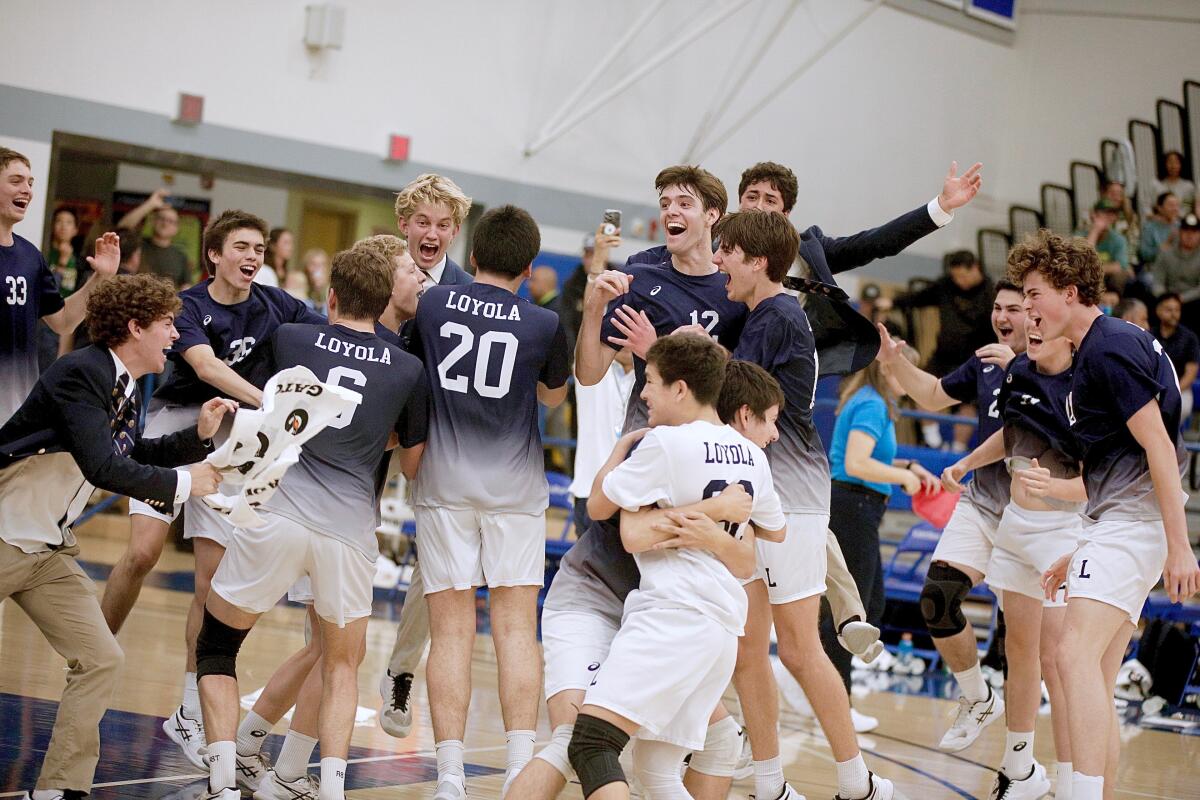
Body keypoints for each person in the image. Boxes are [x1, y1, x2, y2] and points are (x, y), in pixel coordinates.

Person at [195, 244, 428, 800]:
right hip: (349, 529)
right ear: (382, 301)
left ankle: (225, 783)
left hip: (275, 512)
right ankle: (329, 789)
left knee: (217, 647)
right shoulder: (409, 368)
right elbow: (413, 462)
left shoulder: (292, 339)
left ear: (330, 296)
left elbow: (259, 411)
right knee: (343, 662)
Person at [97, 210, 325, 769]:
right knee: (144, 552)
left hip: (234, 437)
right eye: (242, 245)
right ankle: (92, 654)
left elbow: (328, 329)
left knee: (211, 580)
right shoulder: (191, 304)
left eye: (261, 246)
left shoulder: (278, 304)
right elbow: (206, 365)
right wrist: (271, 404)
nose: (254, 255)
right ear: (215, 255)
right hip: (177, 422)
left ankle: (187, 711)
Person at [509, 358, 783, 800]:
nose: (774, 435)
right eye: (769, 421)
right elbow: (605, 513)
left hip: (664, 613)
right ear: (740, 414)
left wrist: (716, 532)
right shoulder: (660, 445)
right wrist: (715, 512)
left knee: (700, 747)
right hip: (598, 598)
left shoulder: (739, 466)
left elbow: (745, 557)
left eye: (650, 382)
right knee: (576, 741)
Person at [0, 273, 228, 800]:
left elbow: (130, 455)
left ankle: (60, 787)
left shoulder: (124, 383)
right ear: (134, 327)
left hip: (46, 550)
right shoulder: (80, 373)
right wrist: (187, 484)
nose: (176, 336)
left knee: (101, 658)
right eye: (168, 325)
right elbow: (103, 466)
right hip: (7, 534)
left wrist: (195, 440)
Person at [714, 209, 898, 800]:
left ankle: (856, 779)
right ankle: (769, 781)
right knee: (748, 649)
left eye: (727, 252)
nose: (718, 261)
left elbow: (731, 403)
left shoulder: (777, 316)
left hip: (790, 495)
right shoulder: (763, 315)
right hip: (760, 490)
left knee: (797, 648)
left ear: (758, 261)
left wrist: (675, 351)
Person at [1011, 229, 1199, 800]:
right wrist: (1086, 546)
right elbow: (1119, 464)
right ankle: (1091, 789)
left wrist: (1179, 544)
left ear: (1070, 291)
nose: (1028, 309)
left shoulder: (1107, 347)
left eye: (1034, 293)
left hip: (1133, 527)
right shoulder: (1104, 346)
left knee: (1069, 654)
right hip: (1117, 525)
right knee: (1090, 671)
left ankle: (1081, 793)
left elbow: (1161, 448)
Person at [408, 204, 569, 800]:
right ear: (529, 267)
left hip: (443, 487)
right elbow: (553, 398)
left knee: (449, 634)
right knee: (515, 632)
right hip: (515, 491)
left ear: (471, 255)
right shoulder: (544, 324)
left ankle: (449, 779)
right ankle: (518, 773)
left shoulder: (430, 305)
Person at [875, 280, 1028, 752]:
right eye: (998, 307)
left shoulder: (1057, 362)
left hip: (1035, 514)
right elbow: (936, 395)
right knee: (937, 600)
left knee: (1024, 642)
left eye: (1015, 309)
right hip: (981, 503)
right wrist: (896, 363)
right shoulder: (985, 361)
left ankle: (1030, 763)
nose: (1003, 317)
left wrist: (1021, 370)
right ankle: (977, 698)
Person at [943, 319, 1082, 800]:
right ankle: (1020, 769)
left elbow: (1105, 470)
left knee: (1062, 662)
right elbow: (1011, 435)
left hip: (1063, 530)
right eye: (1026, 309)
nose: (1028, 321)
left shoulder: (1089, 379)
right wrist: (966, 463)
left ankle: (1072, 781)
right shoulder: (1023, 371)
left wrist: (1059, 489)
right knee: (1018, 656)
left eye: (1037, 312)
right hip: (1016, 527)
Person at [821, 348, 936, 693]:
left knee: (870, 605)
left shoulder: (871, 400)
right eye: (906, 369)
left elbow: (864, 458)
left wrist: (907, 468)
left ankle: (830, 689)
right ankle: (832, 694)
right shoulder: (872, 404)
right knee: (852, 612)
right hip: (852, 506)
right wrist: (902, 479)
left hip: (858, 507)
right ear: (888, 369)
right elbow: (856, 464)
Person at [1, 148, 121, 426]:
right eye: (16, 180)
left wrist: (100, 277)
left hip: (16, 411)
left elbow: (64, 321)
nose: (27, 190)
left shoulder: (30, 257)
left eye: (30, 183)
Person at [892, 249, 994, 452]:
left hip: (973, 359)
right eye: (955, 276)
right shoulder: (946, 286)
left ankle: (957, 448)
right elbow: (919, 297)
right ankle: (933, 441)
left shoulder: (991, 294)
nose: (959, 281)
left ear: (975, 268)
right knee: (920, 387)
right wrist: (893, 302)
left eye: (963, 276)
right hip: (943, 356)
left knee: (969, 405)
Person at [394, 172, 474, 286]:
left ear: (454, 232)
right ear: (404, 225)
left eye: (443, 226)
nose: (432, 235)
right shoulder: (381, 276)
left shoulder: (469, 288)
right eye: (423, 223)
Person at [116, 187, 193, 288]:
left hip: (167, 303)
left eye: (170, 221)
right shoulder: (137, 244)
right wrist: (150, 204)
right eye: (162, 218)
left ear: (176, 228)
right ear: (153, 221)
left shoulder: (180, 256)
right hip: (135, 300)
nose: (165, 223)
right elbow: (122, 229)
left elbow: (186, 287)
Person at [1154, 292, 1199, 420]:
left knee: (1177, 409)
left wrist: (1173, 390)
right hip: (1152, 389)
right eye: (1169, 310)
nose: (1174, 314)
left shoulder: (1190, 338)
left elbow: (1191, 372)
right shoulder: (1149, 335)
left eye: (1177, 310)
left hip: (1180, 389)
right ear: (1158, 311)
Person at [1152, 214, 1200, 327]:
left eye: (1194, 232)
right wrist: (1164, 298)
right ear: (1180, 232)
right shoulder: (1166, 253)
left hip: (1192, 300)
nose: (1190, 235)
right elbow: (1157, 281)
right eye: (1186, 231)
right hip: (1167, 298)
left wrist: (1180, 299)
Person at [1139, 192, 1180, 267]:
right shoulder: (1150, 227)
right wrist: (1165, 246)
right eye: (1171, 205)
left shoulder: (1182, 227)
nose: (1175, 209)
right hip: (1155, 267)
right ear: (1160, 208)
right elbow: (1144, 254)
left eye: (1177, 205)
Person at [1153, 150, 1195, 215]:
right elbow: (1147, 204)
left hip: (1180, 220)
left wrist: (1175, 217)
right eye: (1170, 162)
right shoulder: (1155, 184)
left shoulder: (1188, 186)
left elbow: (1187, 206)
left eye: (1176, 163)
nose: (1173, 166)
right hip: (1158, 220)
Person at [301, 247, 331, 314]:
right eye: (313, 264)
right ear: (306, 268)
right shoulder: (299, 288)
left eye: (322, 264)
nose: (318, 268)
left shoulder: (333, 293)